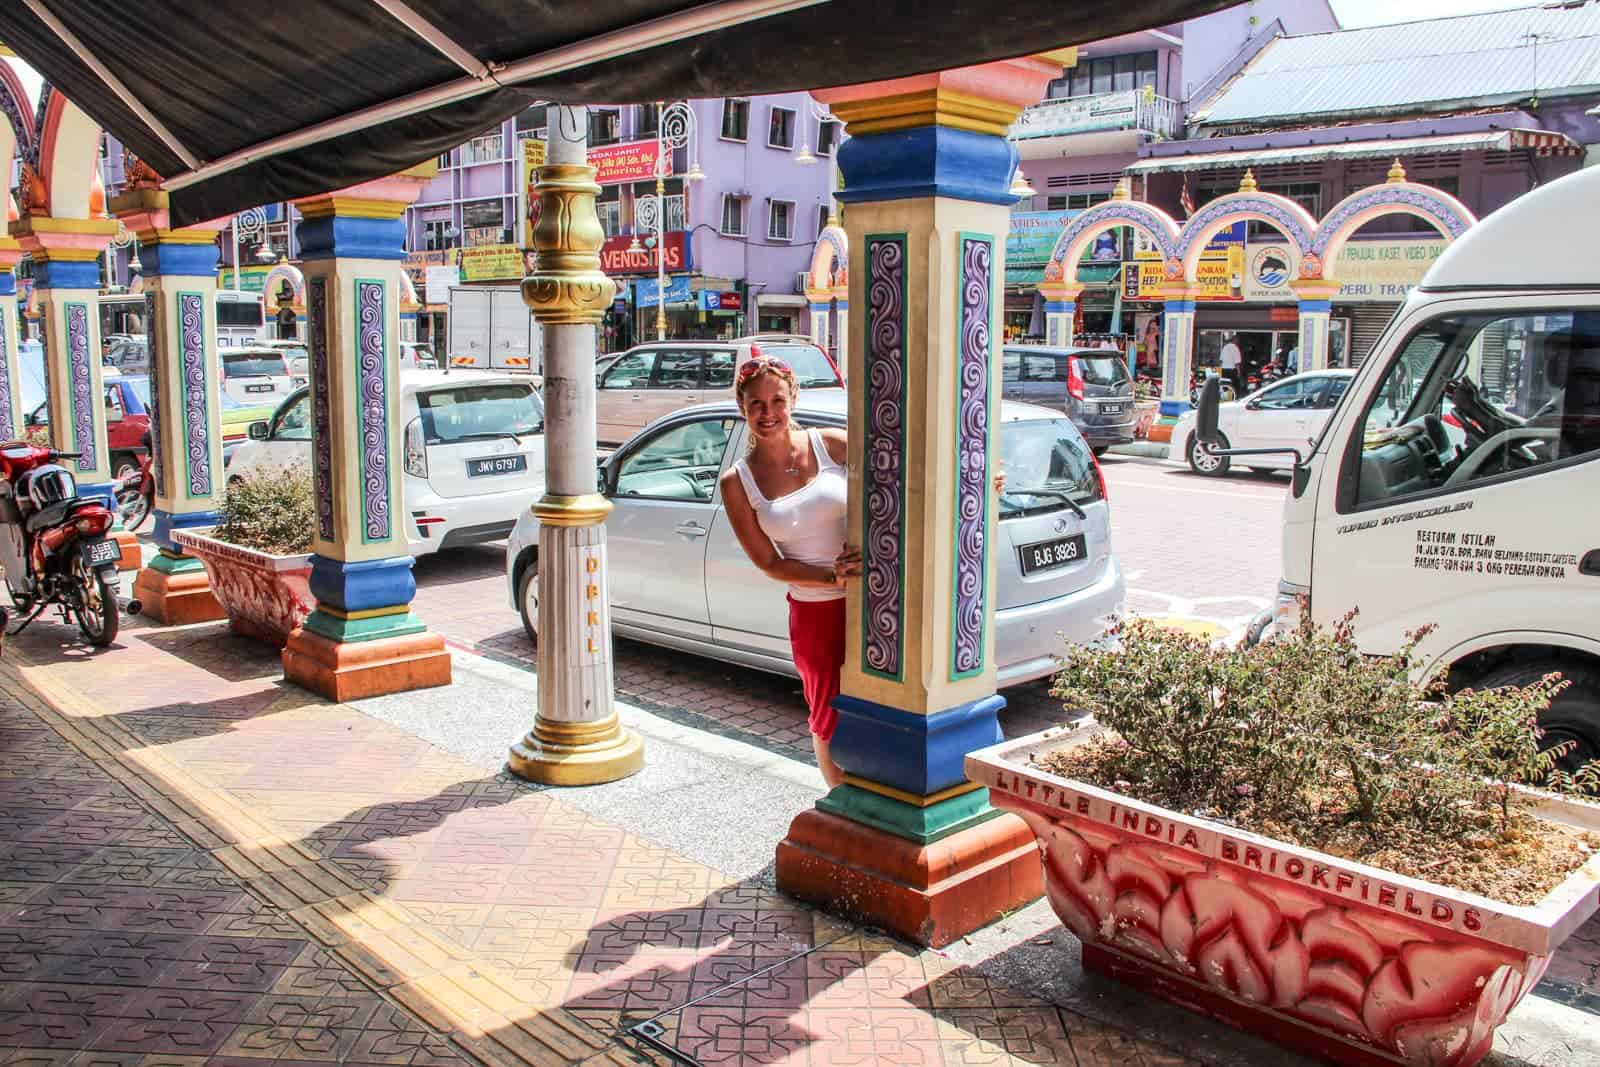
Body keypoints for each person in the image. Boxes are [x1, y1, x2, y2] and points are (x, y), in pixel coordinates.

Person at [720, 355, 859, 787]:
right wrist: (830, 579)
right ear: (741, 406)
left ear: (793, 399)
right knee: (828, 713)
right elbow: (769, 561)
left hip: (873, 602)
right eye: (756, 403)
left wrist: (977, 477)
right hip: (816, 612)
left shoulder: (832, 444)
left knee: (881, 704)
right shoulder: (737, 482)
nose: (768, 413)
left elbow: (903, 472)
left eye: (776, 400)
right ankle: (839, 809)